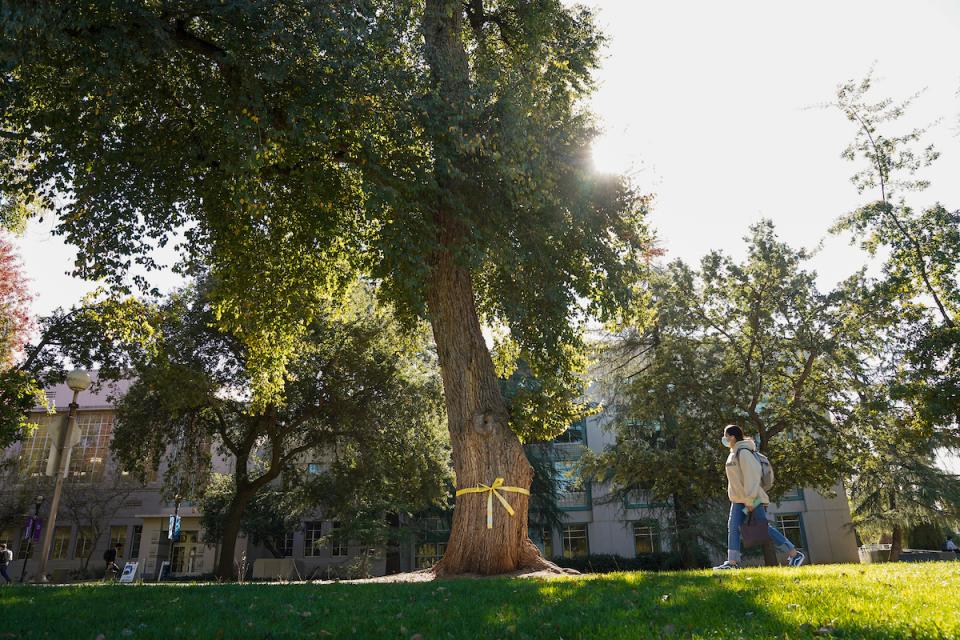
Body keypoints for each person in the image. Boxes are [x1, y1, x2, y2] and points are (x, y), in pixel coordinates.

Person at [713, 424, 806, 570]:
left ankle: (794, 554)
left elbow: (752, 476)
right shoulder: (734, 453)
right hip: (739, 500)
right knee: (733, 527)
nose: (724, 438)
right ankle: (732, 563)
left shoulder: (744, 452)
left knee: (763, 527)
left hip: (754, 499)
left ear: (733, 437)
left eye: (726, 435)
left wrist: (750, 500)